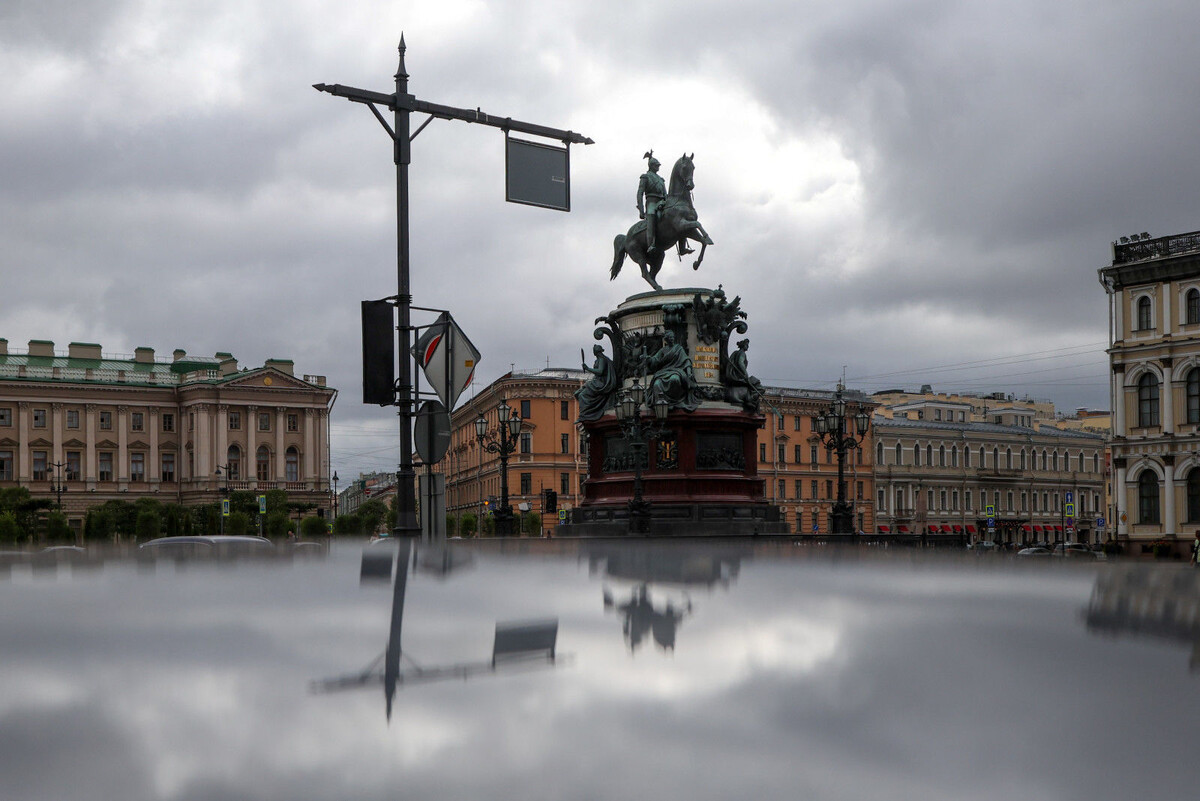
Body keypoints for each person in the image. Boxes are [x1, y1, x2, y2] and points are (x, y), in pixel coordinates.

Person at [575, 345, 617, 421]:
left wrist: (588, 368)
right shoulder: (597, 360)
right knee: (578, 393)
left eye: (594, 350)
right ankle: (586, 413)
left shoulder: (602, 359)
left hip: (601, 383)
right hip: (596, 381)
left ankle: (584, 415)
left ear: (596, 352)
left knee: (582, 395)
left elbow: (600, 372)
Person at [636, 152, 666, 252]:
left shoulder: (661, 179)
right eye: (656, 165)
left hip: (662, 201)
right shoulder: (645, 177)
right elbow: (640, 193)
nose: (658, 167)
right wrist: (641, 209)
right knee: (651, 217)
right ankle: (651, 244)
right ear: (651, 166)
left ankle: (682, 246)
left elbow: (665, 194)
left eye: (658, 165)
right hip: (651, 202)